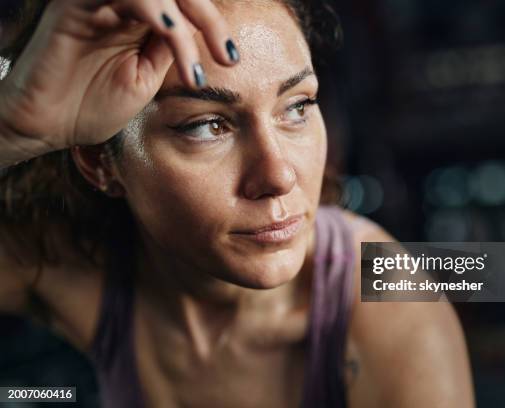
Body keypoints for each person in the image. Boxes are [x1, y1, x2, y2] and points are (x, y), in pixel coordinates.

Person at [0, 0, 475, 406]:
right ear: (100, 161)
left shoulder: (391, 305)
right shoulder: (73, 266)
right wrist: (13, 130)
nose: (279, 175)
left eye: (297, 107)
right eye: (207, 125)